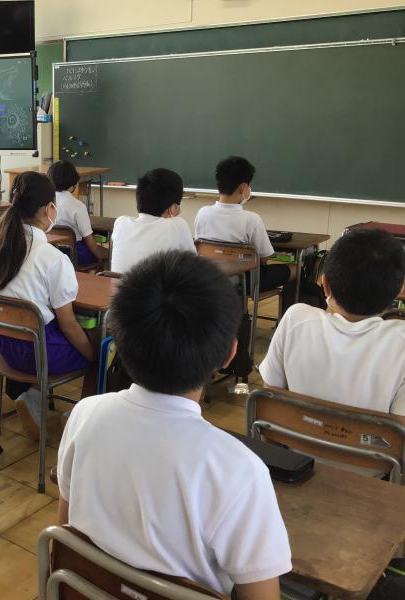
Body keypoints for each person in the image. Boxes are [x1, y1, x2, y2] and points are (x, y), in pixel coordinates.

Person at [57, 251, 291, 599]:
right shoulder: (238, 470)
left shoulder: (84, 414)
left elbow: (66, 533)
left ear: (117, 342)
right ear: (229, 353)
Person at [0, 172, 95, 439]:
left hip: (4, 348)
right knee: (104, 348)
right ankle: (80, 416)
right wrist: (95, 356)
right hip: (39, 354)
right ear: (49, 209)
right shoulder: (52, 258)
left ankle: (32, 397)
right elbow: (68, 324)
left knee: (48, 330)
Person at [260, 228, 405, 412]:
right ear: (400, 290)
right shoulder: (400, 342)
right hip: (361, 433)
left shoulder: (295, 319)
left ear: (325, 285)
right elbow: (399, 426)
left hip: (292, 430)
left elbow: (268, 399)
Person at [194, 156, 295, 291]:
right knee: (295, 268)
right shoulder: (251, 219)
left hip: (207, 277)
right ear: (243, 187)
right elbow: (264, 258)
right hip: (244, 281)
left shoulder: (202, 213)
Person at [111, 168, 196, 273]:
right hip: (155, 284)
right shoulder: (178, 225)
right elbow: (194, 265)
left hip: (118, 284)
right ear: (173, 207)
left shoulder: (121, 223)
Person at [46, 160, 106, 266]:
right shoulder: (78, 206)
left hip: (51, 252)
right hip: (74, 254)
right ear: (74, 182)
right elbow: (89, 240)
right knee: (106, 253)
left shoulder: (44, 202)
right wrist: (101, 256)